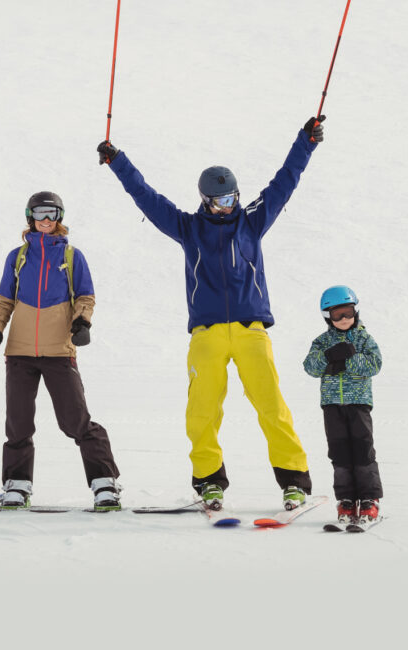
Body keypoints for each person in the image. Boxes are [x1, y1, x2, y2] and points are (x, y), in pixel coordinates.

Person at [96, 117, 325, 510]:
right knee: (202, 411)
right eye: (221, 201)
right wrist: (118, 162)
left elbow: (286, 179)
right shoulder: (188, 228)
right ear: (205, 200)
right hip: (207, 335)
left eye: (232, 198)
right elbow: (146, 197)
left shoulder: (252, 222)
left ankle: (294, 480)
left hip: (252, 331)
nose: (228, 206)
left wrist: (306, 141)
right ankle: (208, 481)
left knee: (272, 406)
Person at [0, 192, 122, 511]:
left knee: (76, 421)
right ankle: (17, 485)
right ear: (30, 216)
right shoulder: (16, 257)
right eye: (42, 213)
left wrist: (82, 322)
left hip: (59, 350)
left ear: (59, 217)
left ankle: (105, 483)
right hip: (19, 353)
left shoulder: (72, 256)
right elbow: (5, 300)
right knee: (18, 423)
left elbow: (85, 296)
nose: (47, 220)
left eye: (53, 213)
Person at [302, 285, 383, 525]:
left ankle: (369, 500)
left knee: (362, 449)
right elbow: (310, 367)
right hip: (331, 406)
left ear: (355, 311)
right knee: (339, 452)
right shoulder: (321, 342)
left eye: (348, 312)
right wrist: (329, 357)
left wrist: (349, 358)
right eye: (337, 315)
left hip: (358, 404)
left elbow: (374, 365)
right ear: (328, 317)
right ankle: (346, 500)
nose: (344, 319)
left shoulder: (364, 339)